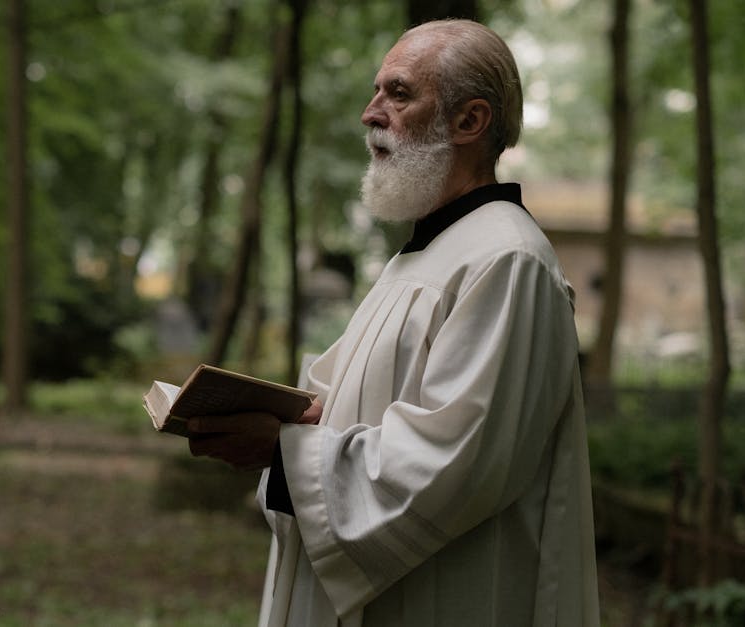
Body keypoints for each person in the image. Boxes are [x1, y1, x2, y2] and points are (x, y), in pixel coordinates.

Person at [188, 18, 600, 627]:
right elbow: (360, 401)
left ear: (469, 122)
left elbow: (457, 461)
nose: (370, 113)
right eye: (377, 91)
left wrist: (283, 455)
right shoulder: (424, 255)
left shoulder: (507, 260)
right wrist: (300, 414)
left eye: (399, 93)